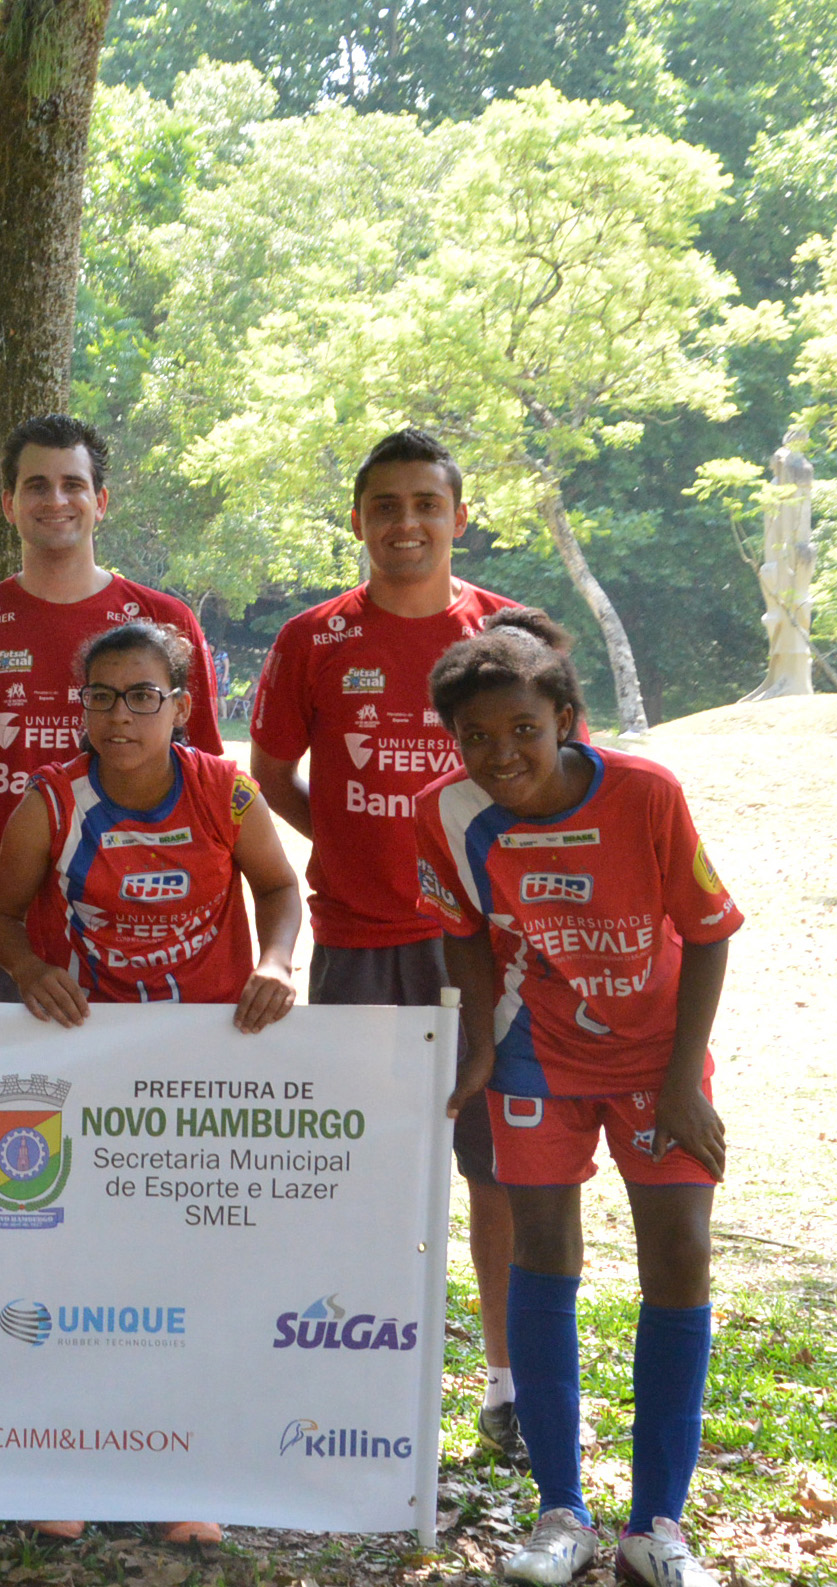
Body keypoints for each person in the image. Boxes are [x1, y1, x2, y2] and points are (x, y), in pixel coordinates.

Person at [416, 611, 740, 1587]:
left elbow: (709, 930)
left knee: (677, 1255)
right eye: (474, 736)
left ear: (563, 717)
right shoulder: (445, 809)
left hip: (653, 1060)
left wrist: (682, 1079)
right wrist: (476, 1040)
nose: (498, 753)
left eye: (520, 727)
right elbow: (462, 929)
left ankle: (657, 1527)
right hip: (532, 1055)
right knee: (541, 1255)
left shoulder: (644, 792)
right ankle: (560, 1509)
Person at [250, 427, 531, 1461]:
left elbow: (553, 776)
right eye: (382, 504)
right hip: (359, 939)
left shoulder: (509, 634)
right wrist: (367, 836)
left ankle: (503, 1386)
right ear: (358, 518)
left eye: (424, 503)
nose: (403, 523)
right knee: (360, 1172)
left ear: (458, 515)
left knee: (497, 1169)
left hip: (487, 951)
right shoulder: (312, 637)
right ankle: (354, 1376)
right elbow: (272, 770)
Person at [0, 416, 223, 1004]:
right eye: (36, 485)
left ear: (100, 502)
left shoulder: (163, 623)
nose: (56, 500)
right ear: (8, 503)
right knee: (2, 1098)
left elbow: (206, 781)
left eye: (73, 484)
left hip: (135, 937)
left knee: (124, 1101)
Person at [0, 619, 301, 1031]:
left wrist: (276, 963)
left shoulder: (228, 794)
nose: (119, 716)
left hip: (216, 1026)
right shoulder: (50, 805)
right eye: (102, 696)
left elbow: (278, 887)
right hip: (86, 1027)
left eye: (142, 697)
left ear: (181, 708)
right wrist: (27, 969)